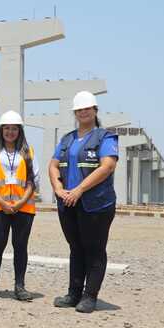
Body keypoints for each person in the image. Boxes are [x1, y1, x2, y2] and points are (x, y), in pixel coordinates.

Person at [49, 91, 118, 313]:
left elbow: (107, 166)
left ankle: (90, 296)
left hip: (96, 204)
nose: (83, 112)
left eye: (87, 108)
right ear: (75, 113)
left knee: (94, 249)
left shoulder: (105, 137)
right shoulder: (67, 139)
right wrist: (59, 188)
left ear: (95, 110)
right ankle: (74, 293)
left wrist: (79, 190)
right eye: (79, 109)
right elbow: (53, 165)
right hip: (69, 203)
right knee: (75, 248)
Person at [0, 110, 39, 302]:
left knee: (20, 246)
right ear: (1, 130)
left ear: (20, 131)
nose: (10, 132)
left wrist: (20, 202)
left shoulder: (29, 152)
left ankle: (19, 286)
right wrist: (3, 203)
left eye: (14, 128)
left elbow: (33, 180)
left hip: (23, 209)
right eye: (6, 128)